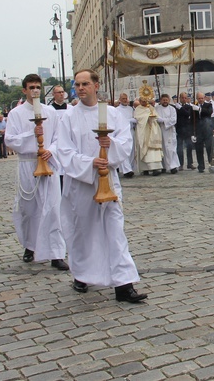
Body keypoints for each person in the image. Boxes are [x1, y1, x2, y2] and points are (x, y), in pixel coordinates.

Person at [56, 69, 147, 303]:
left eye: (85, 83)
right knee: (83, 232)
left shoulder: (114, 114)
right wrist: (89, 163)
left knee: (115, 231)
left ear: (96, 85)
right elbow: (64, 151)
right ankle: (82, 275)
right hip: (81, 183)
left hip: (109, 181)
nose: (81, 88)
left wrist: (110, 144)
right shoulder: (68, 117)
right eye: (77, 84)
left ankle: (124, 285)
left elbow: (126, 145)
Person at [5, 74, 69, 270]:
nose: (35, 90)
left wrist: (52, 150)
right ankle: (30, 246)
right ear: (24, 90)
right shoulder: (16, 114)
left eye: (38, 87)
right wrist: (30, 134)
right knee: (28, 209)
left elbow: (61, 137)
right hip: (28, 163)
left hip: (48, 163)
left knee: (52, 207)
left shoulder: (51, 112)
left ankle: (56, 253)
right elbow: (10, 140)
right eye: (31, 87)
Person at [134, 95, 164, 176]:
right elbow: (138, 118)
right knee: (144, 147)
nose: (144, 103)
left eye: (145, 101)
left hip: (153, 129)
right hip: (143, 130)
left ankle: (155, 168)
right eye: (142, 101)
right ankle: (145, 169)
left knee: (153, 149)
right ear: (140, 101)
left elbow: (156, 116)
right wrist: (147, 116)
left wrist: (155, 118)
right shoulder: (138, 109)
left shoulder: (151, 107)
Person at [155, 94, 180, 174]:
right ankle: (164, 166)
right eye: (163, 100)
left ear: (169, 100)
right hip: (161, 131)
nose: (165, 101)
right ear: (161, 100)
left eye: (166, 100)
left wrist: (163, 120)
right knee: (162, 149)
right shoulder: (157, 108)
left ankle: (173, 166)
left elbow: (173, 120)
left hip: (170, 131)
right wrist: (162, 120)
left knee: (171, 149)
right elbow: (156, 118)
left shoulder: (172, 109)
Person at [191, 92, 214, 173]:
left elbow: (209, 113)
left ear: (204, 98)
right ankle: (201, 166)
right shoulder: (193, 106)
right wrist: (192, 133)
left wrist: (199, 109)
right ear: (197, 99)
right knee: (199, 150)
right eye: (199, 98)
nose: (200, 100)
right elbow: (192, 121)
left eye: (202, 98)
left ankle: (212, 165)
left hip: (207, 130)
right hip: (198, 131)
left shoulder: (208, 105)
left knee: (209, 149)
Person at [116, 92, 136, 178]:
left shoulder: (131, 109)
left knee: (131, 150)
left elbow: (135, 119)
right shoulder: (116, 109)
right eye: (123, 99)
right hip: (122, 132)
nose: (125, 100)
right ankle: (126, 170)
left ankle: (130, 168)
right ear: (120, 100)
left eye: (126, 98)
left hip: (131, 131)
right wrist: (129, 120)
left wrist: (130, 120)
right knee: (124, 150)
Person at [175, 92, 195, 170]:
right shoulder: (176, 107)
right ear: (180, 98)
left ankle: (190, 163)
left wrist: (180, 108)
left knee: (189, 147)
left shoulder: (188, 107)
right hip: (179, 129)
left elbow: (187, 114)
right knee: (179, 148)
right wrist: (178, 108)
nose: (184, 99)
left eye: (185, 98)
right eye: (182, 98)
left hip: (187, 130)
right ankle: (180, 164)